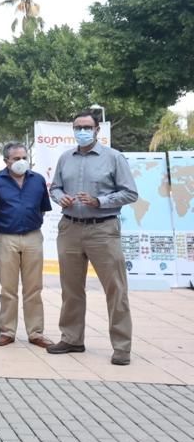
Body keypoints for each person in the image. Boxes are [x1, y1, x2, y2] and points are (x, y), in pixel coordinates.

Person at [48, 110, 138, 366]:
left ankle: (122, 347)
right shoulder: (65, 158)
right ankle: (72, 338)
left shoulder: (114, 158)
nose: (82, 131)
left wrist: (100, 201)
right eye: (78, 127)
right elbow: (54, 187)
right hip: (70, 228)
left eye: (87, 127)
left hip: (103, 229)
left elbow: (130, 193)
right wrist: (59, 197)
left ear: (98, 130)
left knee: (115, 289)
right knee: (71, 288)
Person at [0, 142, 53, 348]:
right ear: (6, 161)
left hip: (33, 237)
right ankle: (7, 331)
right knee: (8, 288)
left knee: (33, 288)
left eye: (24, 157)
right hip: (5, 237)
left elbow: (43, 208)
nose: (21, 162)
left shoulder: (38, 180)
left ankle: (36, 333)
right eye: (16, 158)